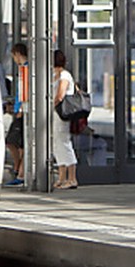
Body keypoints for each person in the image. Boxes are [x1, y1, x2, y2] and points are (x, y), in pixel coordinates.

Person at [51, 49, 79, 190]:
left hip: (61, 114)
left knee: (64, 142)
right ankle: (62, 178)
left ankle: (72, 178)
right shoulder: (55, 75)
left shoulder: (64, 75)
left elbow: (60, 95)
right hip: (55, 114)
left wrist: (50, 104)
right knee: (57, 144)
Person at [4, 43, 29, 187]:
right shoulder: (23, 69)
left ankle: (19, 170)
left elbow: (24, 92)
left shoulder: (25, 69)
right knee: (20, 144)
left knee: (13, 140)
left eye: (13, 56)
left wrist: (19, 108)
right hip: (21, 109)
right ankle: (19, 170)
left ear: (18, 54)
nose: (13, 59)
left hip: (23, 111)